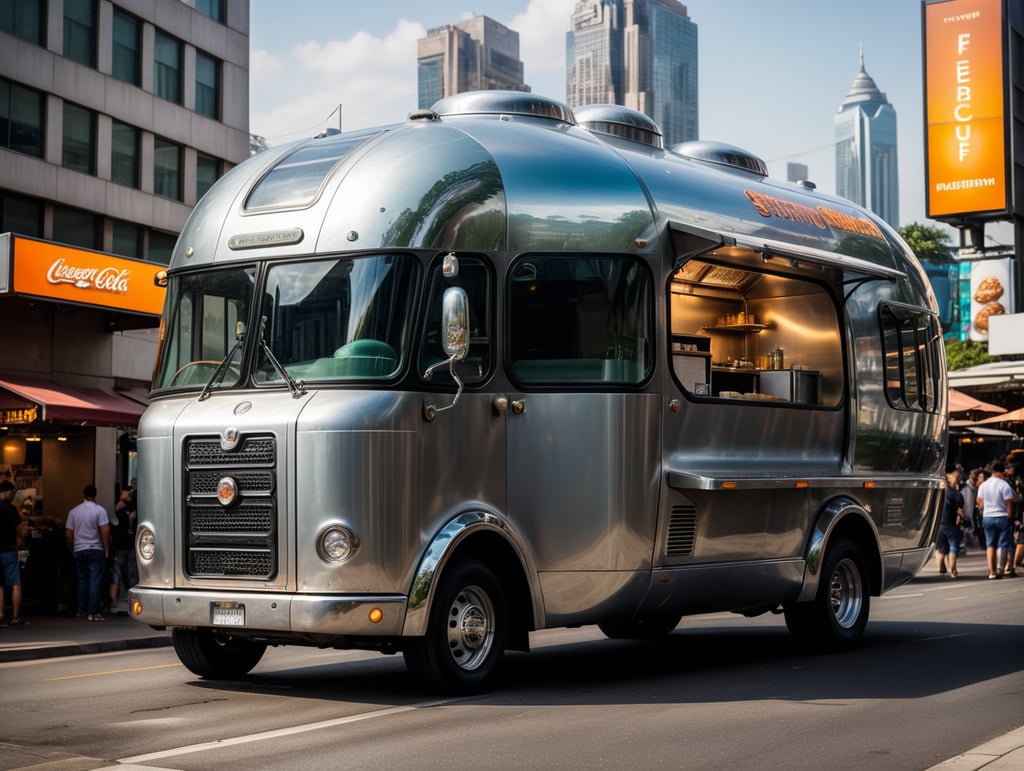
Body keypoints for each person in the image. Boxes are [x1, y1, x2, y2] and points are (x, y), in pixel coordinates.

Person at [65, 484, 110, 621]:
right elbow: (105, 530)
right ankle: (94, 612)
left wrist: (73, 548)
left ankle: (81, 610)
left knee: (83, 580)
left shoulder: (74, 512)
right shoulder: (99, 511)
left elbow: (68, 533)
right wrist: (106, 549)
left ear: (84, 495)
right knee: (95, 581)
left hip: (79, 549)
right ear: (95, 494)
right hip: (95, 549)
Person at [975, 461, 1016, 580]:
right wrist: (1010, 516)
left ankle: (992, 572)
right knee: (1002, 543)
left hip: (987, 517)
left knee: (990, 545)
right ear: (1002, 471)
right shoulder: (1004, 485)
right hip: (1002, 516)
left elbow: (980, 503)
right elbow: (1009, 503)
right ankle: (1000, 568)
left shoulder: (983, 485)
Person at [0, 480, 27, 626]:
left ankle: (1, 614)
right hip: (9, 551)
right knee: (15, 583)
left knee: (0, 585)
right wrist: (18, 543)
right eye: (13, 492)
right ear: (6, 491)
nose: (14, 495)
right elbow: (20, 530)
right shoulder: (11, 509)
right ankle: (16, 616)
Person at [108, 485, 138, 614]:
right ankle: (118, 601)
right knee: (122, 573)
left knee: (124, 572)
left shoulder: (129, 506)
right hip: (124, 545)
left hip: (126, 545)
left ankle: (122, 601)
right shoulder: (122, 506)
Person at [936, 469, 964, 578]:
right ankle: (953, 570)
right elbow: (960, 511)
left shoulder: (938, 492)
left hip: (939, 524)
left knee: (940, 547)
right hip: (951, 524)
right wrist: (962, 518)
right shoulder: (955, 494)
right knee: (953, 545)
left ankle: (940, 565)